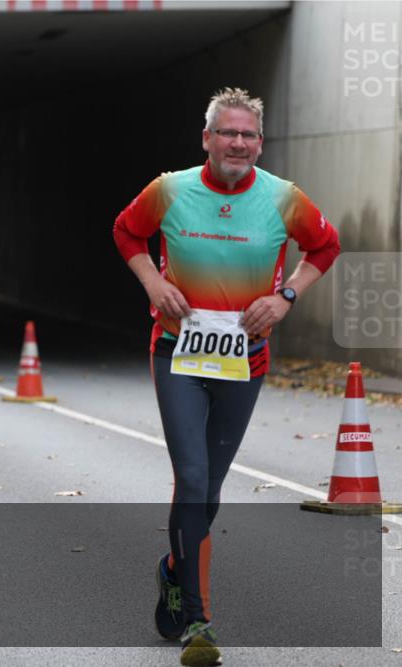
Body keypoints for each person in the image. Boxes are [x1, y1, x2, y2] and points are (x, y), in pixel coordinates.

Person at [113, 87, 340, 667]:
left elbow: (326, 245)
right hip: (177, 354)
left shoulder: (283, 198)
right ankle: (197, 619)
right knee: (190, 481)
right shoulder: (170, 189)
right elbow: (126, 231)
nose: (237, 143)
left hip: (245, 361)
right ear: (207, 138)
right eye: (227, 132)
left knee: (209, 491)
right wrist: (153, 284)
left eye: (248, 135)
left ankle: (171, 570)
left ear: (259, 144)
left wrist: (287, 294)